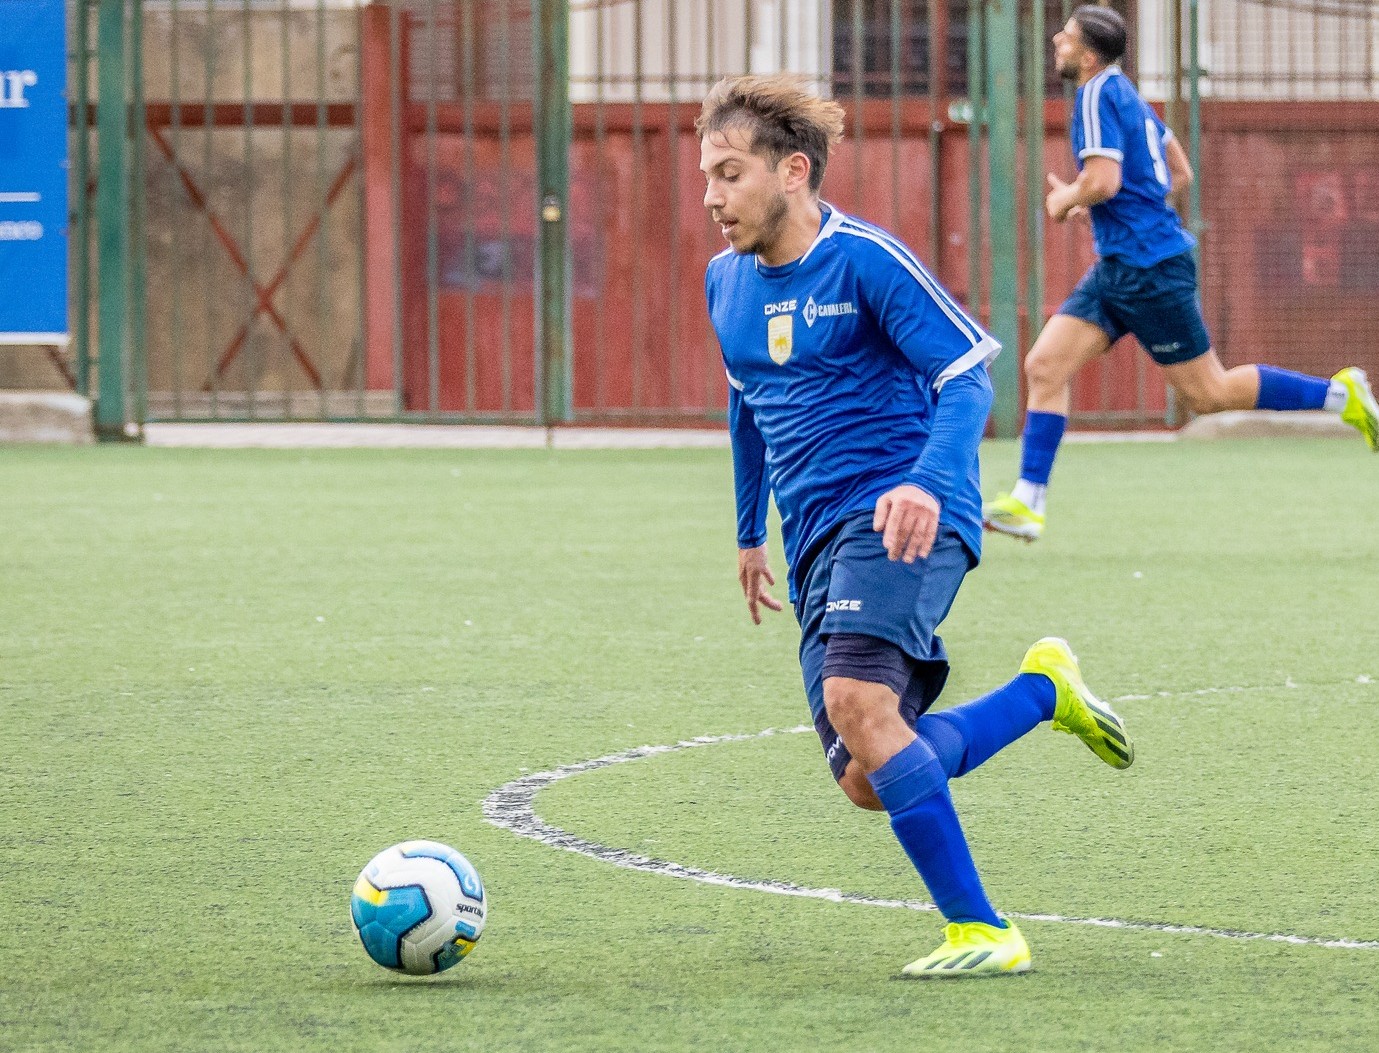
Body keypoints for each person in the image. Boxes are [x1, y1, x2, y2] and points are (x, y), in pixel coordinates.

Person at [699, 73, 1135, 979]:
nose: (710, 198)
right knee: (866, 774)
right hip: (814, 536)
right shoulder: (723, 283)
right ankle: (1041, 693)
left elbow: (968, 369)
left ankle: (983, 930)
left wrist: (931, 483)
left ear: (791, 172)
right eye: (705, 176)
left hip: (904, 512)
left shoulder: (866, 260)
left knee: (858, 704)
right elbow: (747, 409)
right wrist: (749, 534)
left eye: (728, 175)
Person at [984, 4, 1379, 543]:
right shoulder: (1130, 97)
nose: (1056, 41)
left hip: (1149, 270)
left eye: (1068, 36)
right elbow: (1178, 170)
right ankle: (1028, 501)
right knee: (1046, 364)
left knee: (1209, 394)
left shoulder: (1097, 93)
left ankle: (1341, 396)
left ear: (1090, 53)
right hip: (1123, 265)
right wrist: (1120, 205)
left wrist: (1067, 201)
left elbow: (1102, 180)